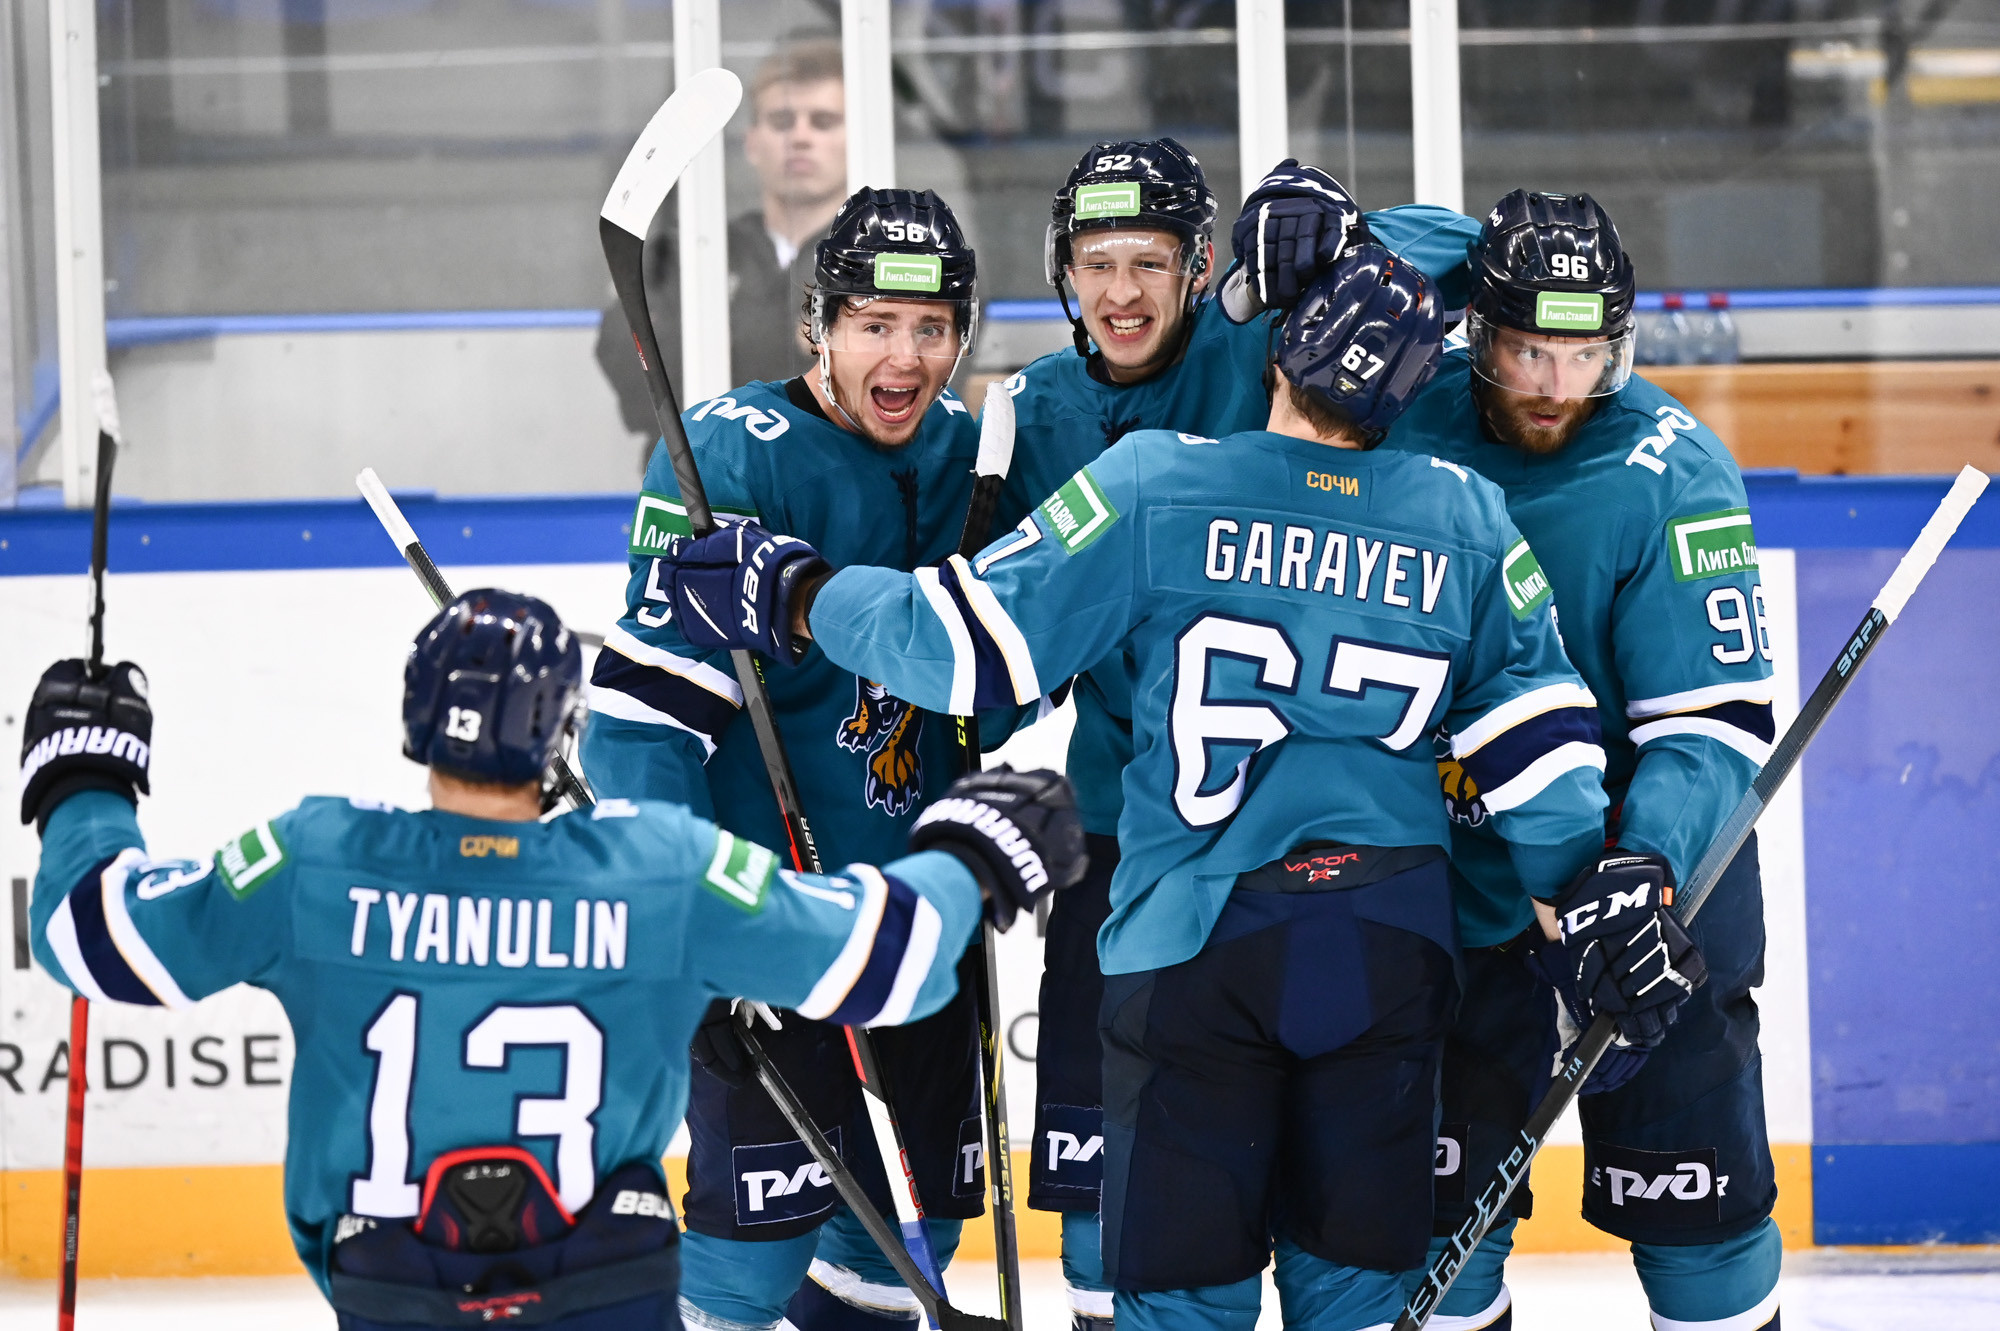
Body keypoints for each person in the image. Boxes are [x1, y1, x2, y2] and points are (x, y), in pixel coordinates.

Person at [649, 248, 1700, 1331]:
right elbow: (1540, 749)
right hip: (1386, 943)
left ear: (1278, 358)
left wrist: (797, 591)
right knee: (1352, 1293)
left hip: (1196, 944)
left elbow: (963, 651)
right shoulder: (1464, 512)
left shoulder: (1160, 482)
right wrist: (1590, 902)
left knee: (1182, 1300)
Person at [18, 590, 1082, 1331]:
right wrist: (966, 856)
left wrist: (85, 786)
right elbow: (878, 958)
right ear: (559, 729)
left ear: (414, 717)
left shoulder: (317, 860)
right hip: (598, 1285)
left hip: (390, 1285)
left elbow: (93, 935)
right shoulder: (655, 865)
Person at [993, 141, 1481, 1327]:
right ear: (1061, 271)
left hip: (1306, 862)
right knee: (1108, 1215)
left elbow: (1470, 261)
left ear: (1201, 266)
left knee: (1318, 1227)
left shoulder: (1268, 341)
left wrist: (1343, 233)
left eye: (1148, 262)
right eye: (1095, 262)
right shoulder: (1024, 412)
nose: (1120, 292)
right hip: (1130, 844)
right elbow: (1002, 667)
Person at [580, 187, 1001, 1331]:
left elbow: (987, 693)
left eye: (929, 328)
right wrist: (686, 925)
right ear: (818, 326)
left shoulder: (970, 452)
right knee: (751, 1248)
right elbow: (637, 720)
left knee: (910, 1240)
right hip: (765, 917)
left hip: (915, 914)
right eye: (873, 323)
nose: (903, 354)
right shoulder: (726, 452)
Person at [1380, 190, 1779, 1331]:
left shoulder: (1672, 467)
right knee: (1435, 1231)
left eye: (1584, 351)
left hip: (1642, 892)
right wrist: (1462, 259)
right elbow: (1347, 269)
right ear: (1472, 329)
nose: (1557, 384)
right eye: (1524, 347)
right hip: (1451, 893)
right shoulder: (1395, 428)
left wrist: (1641, 859)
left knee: (1695, 1206)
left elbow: (1707, 728)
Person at [597, 37, 850, 443]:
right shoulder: (695, 252)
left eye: (823, 121)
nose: (801, 137)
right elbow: (635, 378)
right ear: (752, 142)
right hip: (698, 486)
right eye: (783, 121)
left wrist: (730, 337)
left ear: (856, 138)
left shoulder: (886, 254)